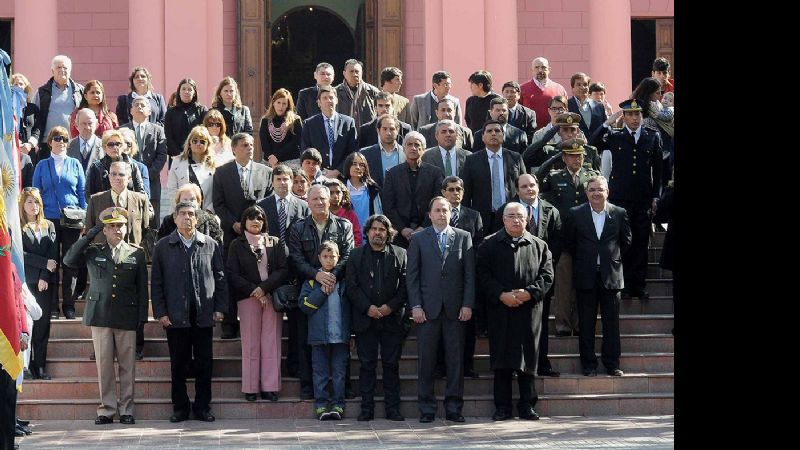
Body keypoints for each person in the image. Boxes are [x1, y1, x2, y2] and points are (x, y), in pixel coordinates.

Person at [62, 207, 148, 425]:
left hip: (126, 316)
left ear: (126, 228)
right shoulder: (94, 251)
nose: (117, 230)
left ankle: (127, 409)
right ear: (105, 230)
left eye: (120, 225)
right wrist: (92, 231)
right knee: (104, 366)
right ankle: (107, 409)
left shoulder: (136, 253)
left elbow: (142, 290)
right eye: (111, 226)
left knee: (128, 366)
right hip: (100, 315)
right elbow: (69, 259)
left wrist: (141, 319)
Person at [150, 201, 228, 422]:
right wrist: (161, 312)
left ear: (197, 218)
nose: (187, 217)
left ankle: (203, 407)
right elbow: (156, 283)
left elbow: (220, 277)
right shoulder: (163, 246)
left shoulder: (210, 244)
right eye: (182, 213)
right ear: (174, 218)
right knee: (178, 364)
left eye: (191, 214)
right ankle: (180, 408)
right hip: (175, 316)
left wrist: (221, 307)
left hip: (204, 314)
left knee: (204, 363)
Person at [477, 202, 553, 421]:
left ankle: (527, 405)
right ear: (503, 219)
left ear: (528, 218)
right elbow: (482, 274)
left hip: (529, 311)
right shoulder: (489, 244)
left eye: (520, 216)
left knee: (528, 359)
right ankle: (502, 407)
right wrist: (501, 294)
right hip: (500, 310)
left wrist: (529, 293)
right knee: (501, 360)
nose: (516, 220)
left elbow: (547, 277)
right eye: (511, 216)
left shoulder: (539, 245)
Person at [407, 196, 475, 423]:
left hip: (455, 311)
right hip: (427, 310)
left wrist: (467, 304)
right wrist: (416, 305)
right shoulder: (418, 239)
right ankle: (426, 408)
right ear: (430, 214)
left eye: (445, 210)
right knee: (426, 361)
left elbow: (469, 275)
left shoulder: (464, 238)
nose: (441, 214)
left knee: (455, 361)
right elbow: (412, 276)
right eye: (437, 210)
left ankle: (454, 408)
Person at [288, 185, 354, 401]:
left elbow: (348, 255)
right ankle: (309, 387)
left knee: (340, 341)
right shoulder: (298, 228)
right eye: (314, 198)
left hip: (337, 290)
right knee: (307, 340)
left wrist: (332, 275)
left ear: (330, 200)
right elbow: (295, 258)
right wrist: (317, 276)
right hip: (309, 290)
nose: (319, 202)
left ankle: (343, 389)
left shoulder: (343, 225)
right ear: (307, 201)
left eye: (323, 198)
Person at [591, 99, 662, 299]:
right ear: (624, 116)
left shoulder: (652, 137)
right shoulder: (616, 136)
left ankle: (637, 284)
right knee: (622, 241)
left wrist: (656, 196)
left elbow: (658, 170)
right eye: (630, 115)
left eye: (637, 114)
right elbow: (593, 141)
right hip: (620, 198)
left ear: (642, 116)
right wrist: (608, 122)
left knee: (640, 241)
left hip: (643, 197)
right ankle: (622, 283)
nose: (634, 118)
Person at [494, 174, 562, 378]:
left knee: (539, 322)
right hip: (511, 281)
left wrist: (543, 267)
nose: (529, 189)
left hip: (539, 278)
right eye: (524, 186)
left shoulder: (551, 210)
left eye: (532, 185)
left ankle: (542, 362)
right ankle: (515, 363)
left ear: (538, 187)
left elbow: (557, 242)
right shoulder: (507, 211)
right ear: (517, 190)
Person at [563, 176, 631, 377]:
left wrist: (611, 259)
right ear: (586, 193)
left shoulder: (619, 213)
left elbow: (626, 241)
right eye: (591, 189)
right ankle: (589, 364)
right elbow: (570, 243)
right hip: (586, 275)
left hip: (611, 276)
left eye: (600, 189)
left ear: (607, 191)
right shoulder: (576, 214)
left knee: (612, 323)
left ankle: (612, 364)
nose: (596, 193)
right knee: (586, 323)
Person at [346, 214, 407, 422]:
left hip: (392, 320)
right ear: (367, 232)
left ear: (388, 233)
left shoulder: (400, 254)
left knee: (391, 365)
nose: (378, 233)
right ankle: (366, 409)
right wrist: (368, 307)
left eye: (382, 229)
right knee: (367, 365)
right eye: (374, 229)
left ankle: (393, 409)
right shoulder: (355, 256)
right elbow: (351, 287)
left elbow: (405, 288)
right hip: (366, 319)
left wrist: (390, 307)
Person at [537, 139, 600, 338]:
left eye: (580, 155)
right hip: (564, 237)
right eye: (572, 156)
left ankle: (581, 322)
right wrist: (556, 156)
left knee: (584, 283)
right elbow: (538, 180)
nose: (577, 159)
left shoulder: (591, 176)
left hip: (586, 238)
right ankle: (563, 324)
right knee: (563, 283)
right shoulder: (555, 176)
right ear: (564, 158)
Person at [213, 133, 274, 339]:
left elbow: (268, 201)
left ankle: (262, 320)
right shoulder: (222, 173)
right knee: (232, 277)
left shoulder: (265, 172)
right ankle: (230, 324)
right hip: (233, 236)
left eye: (251, 145)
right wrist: (235, 224)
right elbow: (218, 203)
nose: (249, 148)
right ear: (234, 149)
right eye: (244, 145)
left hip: (260, 236)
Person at [226, 205, 288, 402]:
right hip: (248, 299)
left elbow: (283, 270)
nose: (255, 221)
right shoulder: (236, 244)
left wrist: (264, 289)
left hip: (270, 297)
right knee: (251, 344)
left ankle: (270, 387)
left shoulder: (275, 242)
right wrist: (254, 290)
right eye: (251, 217)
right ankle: (251, 387)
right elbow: (232, 274)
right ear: (244, 221)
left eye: (260, 218)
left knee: (271, 343)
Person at [31, 126, 87, 320]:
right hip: (49, 219)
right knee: (52, 262)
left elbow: (81, 193)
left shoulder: (75, 164)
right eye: (57, 138)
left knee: (70, 262)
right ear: (50, 142)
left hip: (72, 219)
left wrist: (84, 218)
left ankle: (69, 305)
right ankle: (53, 304)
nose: (61, 141)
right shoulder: (41, 165)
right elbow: (36, 193)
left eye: (64, 138)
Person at [299, 241, 350, 420]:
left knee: (339, 373)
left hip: (340, 336)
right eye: (325, 256)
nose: (329, 260)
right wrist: (321, 291)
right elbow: (304, 305)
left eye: (333, 256)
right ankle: (321, 404)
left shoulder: (344, 282)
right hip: (318, 336)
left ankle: (338, 404)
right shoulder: (311, 282)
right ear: (319, 258)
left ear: (338, 258)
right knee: (320, 372)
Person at [19, 188, 58, 380]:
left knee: (43, 325)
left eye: (36, 202)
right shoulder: (17, 226)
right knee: (26, 325)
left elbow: (52, 253)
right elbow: (21, 255)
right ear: (22, 205)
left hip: (44, 282)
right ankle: (25, 366)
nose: (33, 206)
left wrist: (44, 275)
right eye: (29, 202)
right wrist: (43, 264)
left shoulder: (49, 225)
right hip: (26, 283)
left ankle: (40, 365)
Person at [462, 120, 527, 235]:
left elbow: (523, 187)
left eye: (497, 131)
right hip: (481, 217)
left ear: (503, 136)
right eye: (489, 131)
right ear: (482, 137)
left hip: (510, 216)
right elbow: (466, 193)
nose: (493, 133)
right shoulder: (472, 160)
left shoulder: (516, 158)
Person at [381, 132, 444, 248]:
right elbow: (388, 205)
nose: (413, 148)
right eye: (409, 144)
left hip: (428, 230)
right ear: (404, 149)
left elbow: (437, 202)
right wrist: (403, 228)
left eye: (417, 145)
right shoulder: (392, 173)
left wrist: (423, 227)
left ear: (423, 149)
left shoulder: (435, 173)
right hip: (400, 233)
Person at [119, 96, 168, 229]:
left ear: (150, 111)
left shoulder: (158, 130)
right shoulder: (122, 130)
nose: (139, 107)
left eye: (143, 105)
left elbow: (162, 155)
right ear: (131, 111)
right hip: (126, 183)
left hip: (152, 183)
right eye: (136, 105)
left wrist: (146, 174)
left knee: (151, 223)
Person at [33, 55, 85, 163]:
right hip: (48, 143)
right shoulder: (41, 92)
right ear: (52, 71)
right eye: (58, 67)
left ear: (70, 70)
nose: (62, 70)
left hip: (72, 143)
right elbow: (35, 118)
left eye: (65, 68)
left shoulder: (80, 91)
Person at [300, 86, 358, 179]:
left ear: (336, 100)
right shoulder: (309, 124)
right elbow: (305, 151)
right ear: (319, 103)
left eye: (331, 97)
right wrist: (319, 170)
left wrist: (337, 171)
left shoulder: (348, 122)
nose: (328, 101)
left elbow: (352, 151)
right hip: (317, 176)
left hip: (342, 177)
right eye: (325, 98)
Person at [165, 125, 217, 214]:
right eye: (195, 141)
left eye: (202, 141)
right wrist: (184, 210)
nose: (198, 144)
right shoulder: (177, 161)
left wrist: (208, 211)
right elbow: (172, 190)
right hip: (180, 213)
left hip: (207, 214)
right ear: (189, 143)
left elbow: (218, 193)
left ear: (208, 144)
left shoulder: (215, 164)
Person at [85, 129, 146, 201]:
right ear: (105, 147)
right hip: (103, 208)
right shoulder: (96, 167)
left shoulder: (132, 166)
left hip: (129, 207)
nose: (115, 147)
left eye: (118, 144)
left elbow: (141, 192)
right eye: (110, 144)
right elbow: (89, 195)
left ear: (122, 146)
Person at [157, 183, 223, 243]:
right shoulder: (169, 221)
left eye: (192, 199)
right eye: (185, 199)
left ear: (198, 203)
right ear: (178, 203)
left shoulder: (209, 221)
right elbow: (161, 247)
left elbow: (217, 248)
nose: (188, 202)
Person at [164, 78, 208, 160]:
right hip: (176, 157)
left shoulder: (202, 111)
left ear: (194, 93)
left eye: (190, 89)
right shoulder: (171, 112)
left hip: (197, 156)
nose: (186, 92)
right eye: (183, 89)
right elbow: (168, 137)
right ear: (179, 92)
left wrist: (194, 153)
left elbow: (205, 135)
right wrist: (180, 154)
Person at [519, 57, 568, 130]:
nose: (540, 70)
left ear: (549, 69)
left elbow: (566, 112)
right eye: (537, 67)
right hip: (530, 134)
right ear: (532, 70)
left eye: (543, 67)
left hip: (555, 133)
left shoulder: (559, 89)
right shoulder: (522, 89)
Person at [360, 113, 406, 189]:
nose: (388, 133)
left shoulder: (405, 153)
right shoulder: (366, 154)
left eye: (392, 129)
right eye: (384, 129)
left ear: (397, 130)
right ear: (378, 130)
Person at [260, 88, 303, 168]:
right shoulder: (265, 120)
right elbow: (264, 143)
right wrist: (271, 158)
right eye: (278, 102)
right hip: (269, 162)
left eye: (284, 103)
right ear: (273, 103)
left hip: (290, 161)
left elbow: (296, 142)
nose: (281, 106)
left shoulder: (295, 120)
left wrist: (277, 156)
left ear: (288, 105)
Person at [335, 59, 381, 128]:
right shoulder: (336, 92)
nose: (354, 74)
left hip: (366, 134)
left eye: (357, 71)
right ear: (344, 73)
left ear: (361, 73)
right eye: (351, 71)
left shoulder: (372, 92)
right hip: (343, 134)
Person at [342, 152, 382, 231]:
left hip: (368, 235)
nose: (358, 167)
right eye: (354, 164)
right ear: (348, 166)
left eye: (361, 165)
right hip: (345, 233)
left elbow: (378, 214)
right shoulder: (340, 188)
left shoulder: (372, 188)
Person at [9, 73, 42, 159]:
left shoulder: (33, 108)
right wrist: (17, 144)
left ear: (25, 88)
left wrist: (30, 144)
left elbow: (38, 128)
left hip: (29, 151)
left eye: (21, 84)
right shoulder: (8, 108)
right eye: (16, 84)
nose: (18, 86)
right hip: (11, 148)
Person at [325, 178, 363, 247]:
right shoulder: (322, 213)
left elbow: (357, 236)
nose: (335, 196)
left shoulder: (350, 214)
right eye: (331, 193)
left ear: (343, 194)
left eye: (338, 192)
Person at [567, 72, 606, 137]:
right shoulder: (566, 105)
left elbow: (604, 127)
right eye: (578, 85)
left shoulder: (599, 106)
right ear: (572, 88)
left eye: (585, 84)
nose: (582, 87)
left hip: (597, 146)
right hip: (576, 145)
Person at [65, 108, 103, 175]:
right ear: (76, 125)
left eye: (90, 123)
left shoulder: (104, 146)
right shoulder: (67, 147)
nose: (87, 127)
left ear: (96, 124)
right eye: (83, 124)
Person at [464, 70, 500, 134]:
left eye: (472, 84)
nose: (470, 87)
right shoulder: (470, 101)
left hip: (493, 139)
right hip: (475, 140)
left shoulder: (497, 100)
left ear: (480, 85)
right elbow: (468, 120)